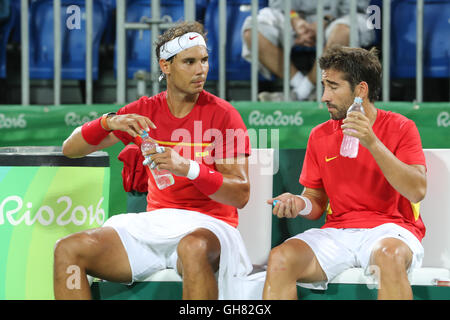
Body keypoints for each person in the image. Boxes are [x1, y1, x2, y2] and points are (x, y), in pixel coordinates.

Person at [53, 21, 253, 300]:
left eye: (205, 60)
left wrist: (189, 168)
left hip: (210, 228)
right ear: (166, 66)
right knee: (67, 249)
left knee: (192, 248)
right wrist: (109, 122)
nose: (201, 69)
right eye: (190, 61)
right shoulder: (144, 111)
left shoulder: (224, 115)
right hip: (156, 225)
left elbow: (240, 194)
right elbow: (71, 149)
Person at [264, 46, 427, 300]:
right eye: (323, 86)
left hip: (391, 230)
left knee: (389, 256)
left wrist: (372, 142)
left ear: (361, 90)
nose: (324, 96)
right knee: (280, 258)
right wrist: (299, 203)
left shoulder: (402, 127)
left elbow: (417, 189)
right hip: (338, 233)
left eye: (333, 87)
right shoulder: (319, 134)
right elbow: (315, 202)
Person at [241, 0, 375, 101]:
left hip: (341, 15)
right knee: (252, 32)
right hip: (293, 17)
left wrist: (324, 20)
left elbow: (351, 5)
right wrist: (296, 21)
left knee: (343, 32)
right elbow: (280, 4)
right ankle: (304, 89)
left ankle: (298, 94)